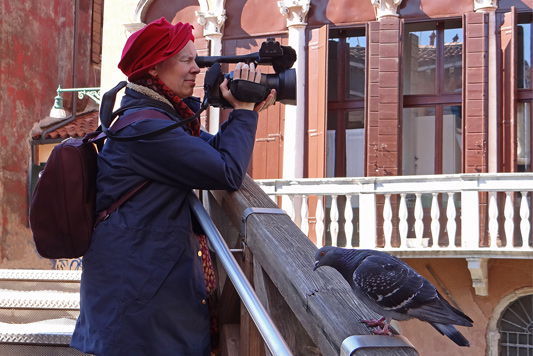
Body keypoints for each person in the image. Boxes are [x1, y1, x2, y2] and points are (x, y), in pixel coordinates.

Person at [70, 17, 275, 356]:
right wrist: (243, 114)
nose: (197, 68)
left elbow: (208, 154)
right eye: (186, 60)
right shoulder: (147, 129)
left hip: (141, 298)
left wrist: (244, 110)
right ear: (153, 70)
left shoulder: (154, 120)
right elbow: (226, 171)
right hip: (137, 310)